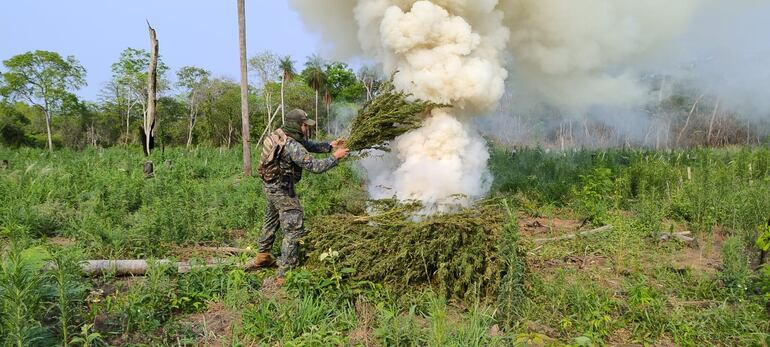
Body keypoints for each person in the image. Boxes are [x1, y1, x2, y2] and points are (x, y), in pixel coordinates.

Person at [255, 108, 349, 284]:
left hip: (270, 185)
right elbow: (315, 166)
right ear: (297, 125)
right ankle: (286, 274)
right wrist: (335, 157)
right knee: (294, 227)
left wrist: (330, 146)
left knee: (271, 219)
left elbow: (307, 145)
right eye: (305, 125)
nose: (307, 128)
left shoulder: (279, 134)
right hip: (282, 189)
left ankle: (263, 255)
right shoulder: (292, 145)